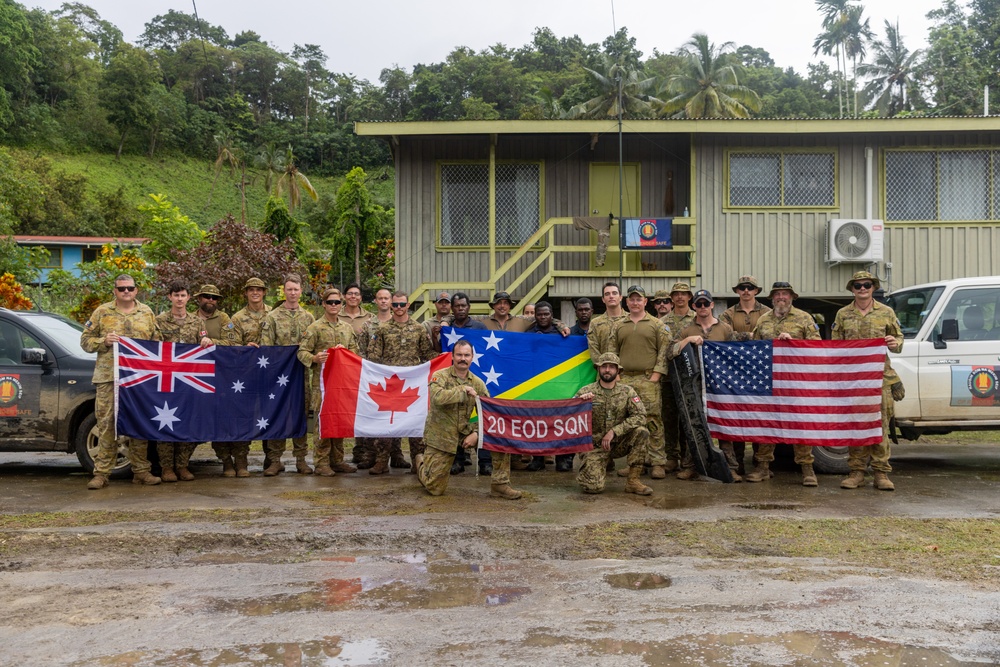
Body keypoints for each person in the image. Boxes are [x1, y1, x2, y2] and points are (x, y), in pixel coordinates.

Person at [80, 274, 162, 489]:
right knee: (107, 423)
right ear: (115, 291)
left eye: (130, 288)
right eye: (122, 288)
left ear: (136, 290)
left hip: (138, 378)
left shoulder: (146, 312)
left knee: (139, 422)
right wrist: (103, 341)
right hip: (109, 377)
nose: (126, 291)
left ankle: (141, 471)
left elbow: (157, 342)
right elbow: (85, 342)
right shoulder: (102, 312)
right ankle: (102, 474)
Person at [832, 271, 903, 491]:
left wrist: (894, 342)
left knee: (879, 426)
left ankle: (881, 473)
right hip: (854, 380)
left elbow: (899, 340)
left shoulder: (886, 312)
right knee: (857, 426)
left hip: (880, 378)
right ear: (852, 289)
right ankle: (857, 472)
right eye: (858, 285)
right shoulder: (843, 314)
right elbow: (836, 346)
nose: (862, 288)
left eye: (867, 285)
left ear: (873, 287)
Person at [750, 281, 821, 486]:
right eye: (778, 294)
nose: (781, 297)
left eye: (785, 294)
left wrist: (794, 343)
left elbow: (816, 346)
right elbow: (755, 347)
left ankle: (807, 469)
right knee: (766, 425)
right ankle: (762, 467)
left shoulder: (804, 318)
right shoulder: (763, 320)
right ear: (772, 298)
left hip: (796, 382)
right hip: (769, 381)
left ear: (792, 297)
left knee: (799, 425)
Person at [669, 290, 736, 480]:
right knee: (695, 423)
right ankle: (692, 465)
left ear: (712, 305)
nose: (703, 307)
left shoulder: (725, 329)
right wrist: (688, 341)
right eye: (699, 304)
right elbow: (670, 351)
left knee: (723, 424)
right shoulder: (687, 330)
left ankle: (731, 466)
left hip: (720, 385)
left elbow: (735, 353)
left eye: (706, 303)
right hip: (696, 385)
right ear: (694, 307)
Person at [367, 291, 437, 475]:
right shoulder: (382, 329)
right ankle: (382, 461)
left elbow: (427, 354)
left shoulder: (418, 328)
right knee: (386, 423)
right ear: (391, 306)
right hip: (390, 384)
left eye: (402, 304)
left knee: (415, 424)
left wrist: (444, 358)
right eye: (395, 304)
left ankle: (418, 462)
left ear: (408, 305)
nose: (399, 308)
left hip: (412, 385)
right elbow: (373, 356)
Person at [608, 286, 671, 479]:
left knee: (652, 421)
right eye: (632, 299)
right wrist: (616, 374)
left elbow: (664, 351)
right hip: (625, 380)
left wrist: (657, 375)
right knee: (629, 422)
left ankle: (658, 462)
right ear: (627, 302)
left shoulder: (656, 324)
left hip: (647, 379)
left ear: (645, 302)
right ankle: (636, 463)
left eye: (639, 299)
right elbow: (611, 350)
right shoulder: (619, 325)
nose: (635, 303)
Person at [417, 340, 494, 496]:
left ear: (472, 357)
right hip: (441, 436)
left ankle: (501, 484)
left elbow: (488, 412)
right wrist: (462, 389)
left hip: (464, 431)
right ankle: (421, 463)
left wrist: (477, 434)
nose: (462, 359)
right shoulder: (440, 376)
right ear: (452, 356)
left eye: (467, 355)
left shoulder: (478, 383)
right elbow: (437, 398)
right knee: (436, 489)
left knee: (499, 441)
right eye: (459, 355)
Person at [298, 287, 360, 477]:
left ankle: (338, 460)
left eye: (337, 302)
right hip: (321, 386)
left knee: (339, 421)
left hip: (341, 385)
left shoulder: (347, 328)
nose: (334, 305)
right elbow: (301, 352)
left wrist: (346, 352)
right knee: (322, 423)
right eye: (330, 302)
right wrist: (315, 358)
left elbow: (356, 354)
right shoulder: (315, 328)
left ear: (341, 305)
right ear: (323, 304)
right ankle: (321, 462)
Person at [575, 352, 653, 496]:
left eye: (612, 367)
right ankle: (600, 464)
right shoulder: (586, 391)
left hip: (618, 443)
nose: (607, 370)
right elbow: (569, 414)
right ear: (598, 369)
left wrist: (614, 431)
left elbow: (640, 415)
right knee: (592, 488)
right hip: (595, 446)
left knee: (642, 432)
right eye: (604, 366)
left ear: (618, 371)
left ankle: (633, 481)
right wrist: (579, 402)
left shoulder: (627, 392)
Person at [260, 273, 315, 476]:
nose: (292, 293)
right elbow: (266, 348)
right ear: (284, 291)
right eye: (289, 289)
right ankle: (275, 460)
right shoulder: (272, 317)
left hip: (301, 376)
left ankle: (301, 459)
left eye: (296, 289)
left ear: (301, 291)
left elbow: (312, 345)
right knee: (279, 415)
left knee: (300, 414)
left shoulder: (308, 317)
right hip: (279, 378)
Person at [717, 275, 772, 476]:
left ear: (756, 290)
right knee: (738, 416)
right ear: (737, 291)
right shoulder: (727, 315)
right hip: (736, 372)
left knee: (759, 416)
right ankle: (738, 462)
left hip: (761, 372)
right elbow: (725, 337)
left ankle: (761, 463)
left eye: (750, 287)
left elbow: (771, 336)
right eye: (742, 287)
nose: (746, 291)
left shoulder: (768, 313)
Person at [154, 282, 201, 483]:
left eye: (183, 295)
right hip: (166, 380)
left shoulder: (197, 322)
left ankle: (182, 465)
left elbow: (203, 346)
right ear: (170, 297)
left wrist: (207, 342)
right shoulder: (159, 321)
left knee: (188, 423)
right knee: (165, 423)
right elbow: (152, 345)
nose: (180, 299)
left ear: (188, 297)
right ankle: (166, 468)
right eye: (176, 295)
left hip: (188, 381)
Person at [225, 277, 272, 477]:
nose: (255, 293)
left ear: (264, 292)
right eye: (251, 290)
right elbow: (231, 346)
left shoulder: (273, 314)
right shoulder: (237, 318)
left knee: (270, 415)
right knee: (244, 417)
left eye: (259, 290)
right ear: (246, 293)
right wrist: (244, 349)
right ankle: (241, 461)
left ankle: (272, 460)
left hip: (270, 375)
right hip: (245, 377)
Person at [194, 284, 239, 476]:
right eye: (206, 296)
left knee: (224, 418)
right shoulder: (190, 319)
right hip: (195, 377)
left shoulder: (224, 319)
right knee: (200, 419)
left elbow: (232, 342)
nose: (210, 300)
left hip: (221, 376)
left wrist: (212, 342)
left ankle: (232, 461)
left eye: (214, 297)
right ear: (199, 298)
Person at [442, 292, 488, 475]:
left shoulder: (479, 327)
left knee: (482, 416)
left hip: (478, 375)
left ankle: (485, 460)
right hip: (453, 378)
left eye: (464, 305)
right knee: (454, 417)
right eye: (457, 306)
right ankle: (457, 458)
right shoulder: (446, 327)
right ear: (452, 309)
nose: (461, 308)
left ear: (469, 307)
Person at [353, 287, 393, 470]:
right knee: (373, 414)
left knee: (395, 415)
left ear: (391, 301)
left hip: (394, 377)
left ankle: (396, 453)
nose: (384, 301)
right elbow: (361, 351)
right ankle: (370, 454)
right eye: (380, 298)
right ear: (375, 301)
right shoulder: (368, 325)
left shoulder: (399, 322)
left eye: (387, 298)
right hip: (373, 377)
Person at [659, 281, 696, 474]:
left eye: (684, 294)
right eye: (676, 294)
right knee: (670, 418)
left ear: (690, 297)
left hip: (691, 377)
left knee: (688, 419)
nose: (680, 297)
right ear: (672, 298)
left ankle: (688, 459)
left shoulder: (698, 318)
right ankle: (672, 457)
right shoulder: (663, 322)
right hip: (668, 377)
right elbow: (662, 349)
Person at [482, 291, 568, 334]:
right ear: (493, 305)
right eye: (498, 303)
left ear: (510, 306)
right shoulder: (482, 323)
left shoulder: (523, 321)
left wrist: (561, 326)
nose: (502, 306)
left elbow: (543, 318)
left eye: (506, 303)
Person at [587, 282, 627, 366]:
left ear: (620, 297)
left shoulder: (631, 320)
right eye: (607, 294)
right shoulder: (595, 323)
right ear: (603, 299)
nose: (611, 296)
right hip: (605, 373)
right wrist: (606, 368)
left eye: (614, 293)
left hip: (627, 373)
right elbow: (594, 351)